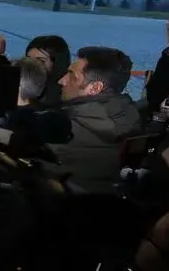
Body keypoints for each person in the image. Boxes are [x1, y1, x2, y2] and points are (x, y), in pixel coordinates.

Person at [49, 46, 142, 194]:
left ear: (94, 88)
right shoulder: (125, 118)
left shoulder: (66, 131)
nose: (62, 80)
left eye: (71, 75)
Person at [24, 35, 71, 106]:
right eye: (29, 60)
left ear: (57, 64)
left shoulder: (66, 95)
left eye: (41, 61)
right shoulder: (20, 85)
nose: (32, 66)